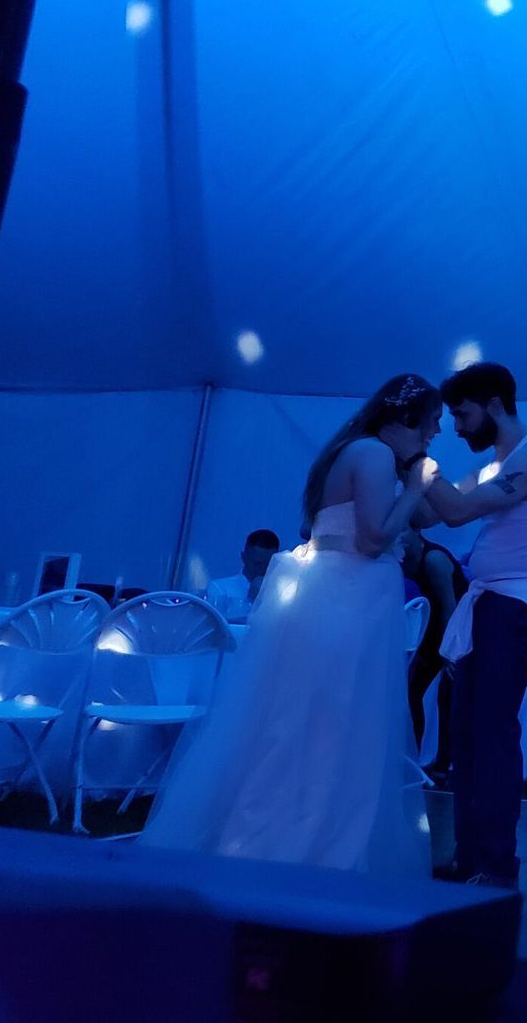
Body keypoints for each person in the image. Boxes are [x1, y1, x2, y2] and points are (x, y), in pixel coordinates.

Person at [142, 375, 439, 875]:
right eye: (428, 426)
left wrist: (415, 487)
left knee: (323, 724)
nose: (433, 436)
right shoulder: (373, 455)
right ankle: (297, 844)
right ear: (401, 420)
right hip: (346, 601)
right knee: (328, 725)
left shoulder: (360, 452)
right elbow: (373, 539)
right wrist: (413, 486)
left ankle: (308, 837)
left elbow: (403, 522)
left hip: (344, 599)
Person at [417, 362, 527, 890]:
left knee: (491, 735)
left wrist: (417, 458)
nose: (457, 428)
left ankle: (496, 864)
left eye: (461, 414)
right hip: (491, 607)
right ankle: (470, 857)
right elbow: (433, 514)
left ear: (493, 404)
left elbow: (456, 512)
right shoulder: (494, 467)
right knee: (465, 735)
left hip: (516, 609)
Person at [399, 525, 469, 779]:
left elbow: (450, 606)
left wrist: (452, 649)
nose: (399, 538)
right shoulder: (401, 559)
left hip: (458, 629)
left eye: (404, 532)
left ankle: (444, 765)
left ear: (416, 533)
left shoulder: (434, 559)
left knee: (447, 698)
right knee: (410, 692)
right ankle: (412, 758)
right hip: (431, 631)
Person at [203, 529, 279, 624]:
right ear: (243, 557)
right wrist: (252, 601)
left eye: (268, 565)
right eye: (257, 564)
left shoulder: (281, 593)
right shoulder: (219, 588)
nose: (263, 569)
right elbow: (213, 626)